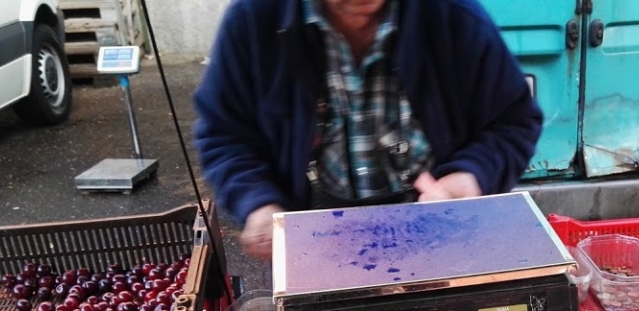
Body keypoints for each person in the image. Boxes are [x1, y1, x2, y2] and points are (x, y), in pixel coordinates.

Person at [194, 0, 544, 260]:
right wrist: (257, 202)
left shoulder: (453, 16)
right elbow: (224, 134)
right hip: (311, 250)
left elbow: (513, 121)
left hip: (439, 236)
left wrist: (470, 175)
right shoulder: (254, 20)